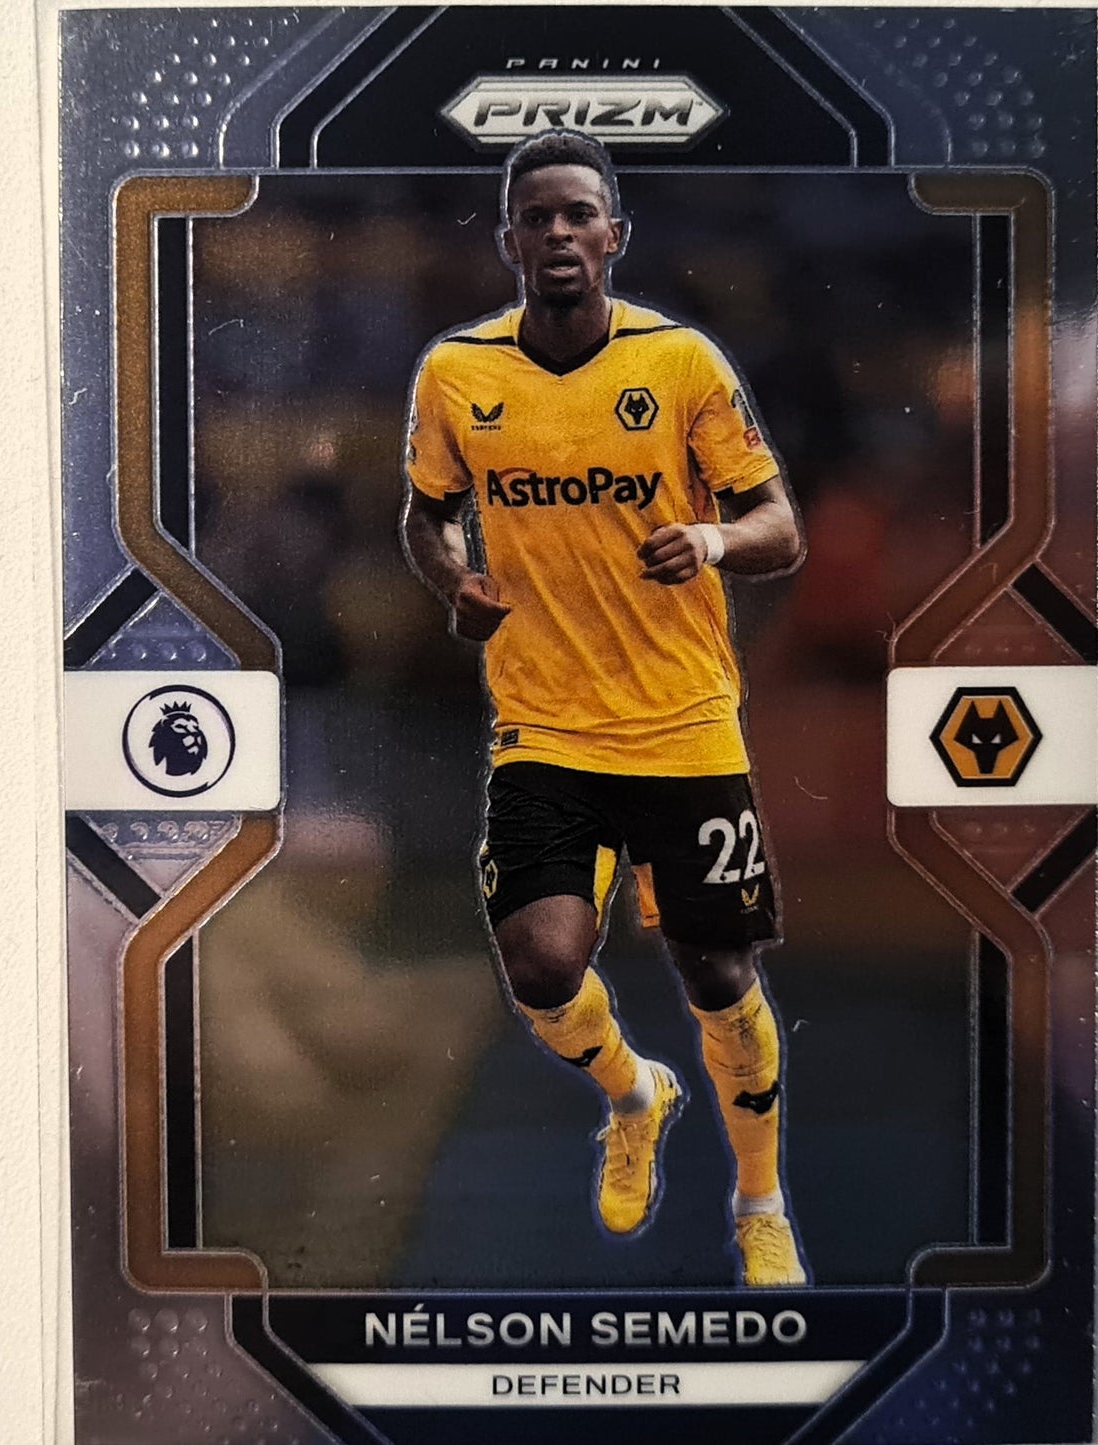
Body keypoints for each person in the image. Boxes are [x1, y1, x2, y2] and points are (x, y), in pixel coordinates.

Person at [400, 131, 807, 1287]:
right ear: (509, 239)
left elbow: (779, 527)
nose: (559, 232)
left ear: (613, 234)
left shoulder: (676, 362)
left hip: (682, 721)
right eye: (537, 216)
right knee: (539, 963)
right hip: (545, 726)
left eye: (579, 212)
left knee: (717, 976)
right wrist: (454, 579)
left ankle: (759, 1202)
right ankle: (634, 1094)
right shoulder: (456, 373)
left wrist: (713, 537)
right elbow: (424, 513)